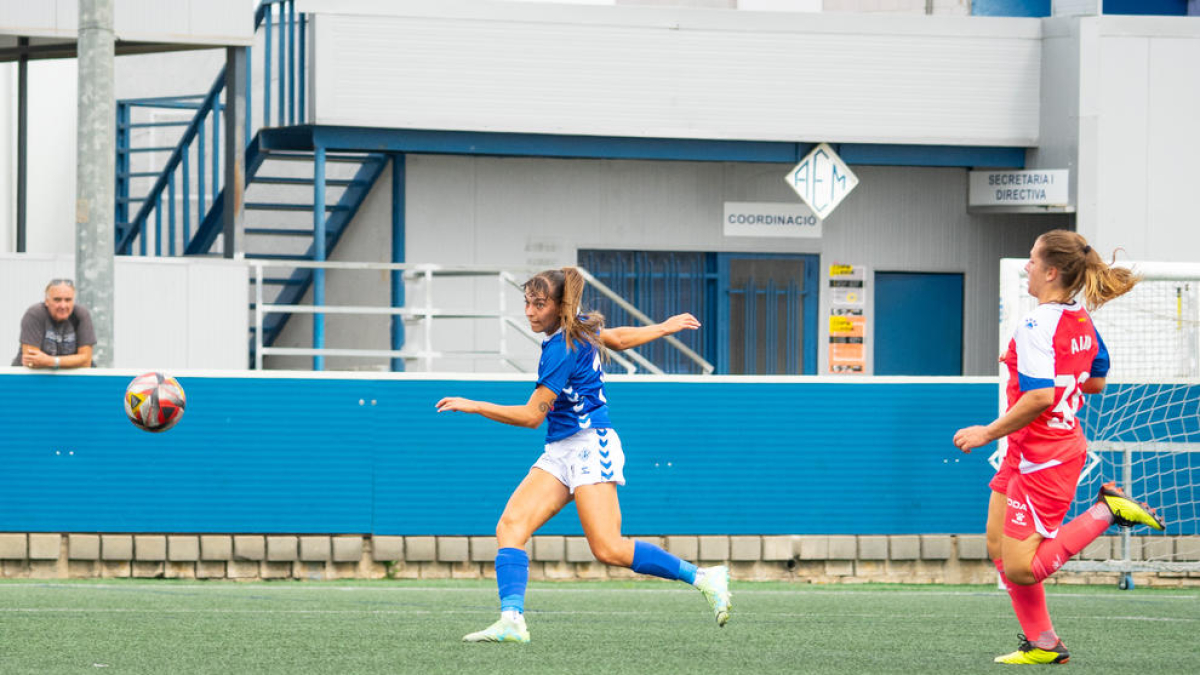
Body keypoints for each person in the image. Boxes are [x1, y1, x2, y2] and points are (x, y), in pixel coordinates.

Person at [436, 266, 730, 644]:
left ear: (560, 307)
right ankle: (512, 620)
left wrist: (473, 404)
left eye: (539, 304)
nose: (529, 312)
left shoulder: (561, 347)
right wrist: (664, 326)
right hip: (561, 448)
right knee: (511, 526)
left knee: (608, 548)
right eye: (527, 302)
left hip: (592, 444)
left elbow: (530, 417)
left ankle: (704, 577)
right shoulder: (578, 326)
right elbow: (618, 339)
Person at [953, 230, 1165, 665]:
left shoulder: (1036, 323)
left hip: (1046, 457)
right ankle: (1044, 644)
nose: (1026, 267)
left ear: (1051, 271)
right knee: (997, 546)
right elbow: (1096, 381)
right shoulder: (1079, 319)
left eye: (1032, 260)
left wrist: (985, 432)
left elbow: (1039, 398)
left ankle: (1108, 510)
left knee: (1020, 567)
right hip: (1029, 449)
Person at [12, 278, 95, 370]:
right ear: (47, 301)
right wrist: (73, 361)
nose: (63, 306)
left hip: (70, 380)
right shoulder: (35, 314)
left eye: (68, 300)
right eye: (57, 300)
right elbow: (31, 361)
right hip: (28, 380)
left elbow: (86, 362)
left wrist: (51, 361)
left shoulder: (81, 314)